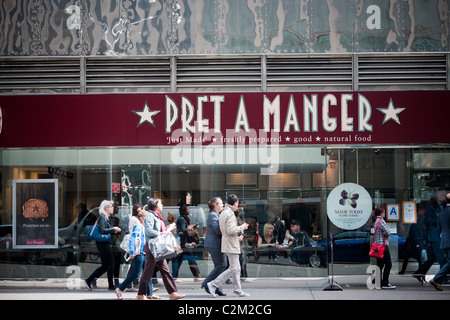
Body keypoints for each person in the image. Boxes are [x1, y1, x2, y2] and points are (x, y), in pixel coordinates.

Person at [136, 198, 185, 300]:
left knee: (164, 270)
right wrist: (163, 232)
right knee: (148, 272)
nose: (162, 205)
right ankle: (140, 295)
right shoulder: (150, 215)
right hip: (153, 248)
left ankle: (172, 293)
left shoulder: (157, 216)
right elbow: (149, 230)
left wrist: (168, 228)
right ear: (154, 205)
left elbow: (158, 230)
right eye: (160, 203)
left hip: (158, 248)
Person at [207, 194, 249, 298]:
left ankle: (238, 290)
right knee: (234, 268)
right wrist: (242, 227)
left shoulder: (224, 212)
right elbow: (231, 230)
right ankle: (214, 284)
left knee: (236, 268)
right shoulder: (230, 214)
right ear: (236, 203)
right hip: (231, 243)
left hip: (227, 243)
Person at [115, 207, 160, 300]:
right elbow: (132, 239)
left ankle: (149, 294)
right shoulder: (138, 227)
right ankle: (119, 289)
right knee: (135, 274)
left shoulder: (144, 228)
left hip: (144, 253)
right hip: (138, 253)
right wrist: (132, 252)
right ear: (142, 218)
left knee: (147, 273)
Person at [84, 200, 122, 291]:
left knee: (105, 266)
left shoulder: (107, 218)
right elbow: (103, 230)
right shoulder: (102, 217)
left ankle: (89, 280)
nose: (113, 208)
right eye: (111, 206)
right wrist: (114, 229)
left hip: (103, 243)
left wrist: (114, 230)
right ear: (105, 208)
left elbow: (106, 230)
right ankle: (110, 286)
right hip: (103, 244)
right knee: (111, 264)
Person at [414, 190, 446, 282]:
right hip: (435, 235)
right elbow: (428, 221)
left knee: (433, 257)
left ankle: (419, 272)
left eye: (444, 195)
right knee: (440, 257)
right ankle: (440, 278)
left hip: (440, 234)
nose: (444, 197)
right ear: (436, 196)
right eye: (442, 195)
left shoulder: (444, 206)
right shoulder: (431, 207)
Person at [201, 197, 227, 296]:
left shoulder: (215, 214)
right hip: (214, 244)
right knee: (222, 265)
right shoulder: (213, 215)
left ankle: (217, 288)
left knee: (219, 266)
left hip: (215, 244)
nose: (222, 205)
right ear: (215, 205)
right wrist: (227, 230)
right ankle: (206, 283)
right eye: (221, 203)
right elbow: (217, 230)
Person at [430, 192, 450, 291]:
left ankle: (437, 279)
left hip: (444, 240)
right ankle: (436, 279)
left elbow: (439, 228)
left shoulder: (442, 212)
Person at [372, 206, 396, 289]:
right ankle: (385, 282)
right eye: (384, 212)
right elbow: (388, 232)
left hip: (378, 246)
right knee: (388, 264)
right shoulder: (381, 221)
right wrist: (386, 234)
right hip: (383, 245)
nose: (384, 214)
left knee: (380, 264)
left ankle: (376, 281)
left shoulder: (376, 221)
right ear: (381, 213)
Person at [400, 203, 426, 274]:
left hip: (413, 242)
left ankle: (418, 271)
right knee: (418, 258)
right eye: (423, 210)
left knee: (410, 257)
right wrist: (418, 242)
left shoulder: (418, 218)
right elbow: (416, 230)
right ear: (420, 210)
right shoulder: (418, 219)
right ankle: (420, 272)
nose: (424, 212)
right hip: (414, 242)